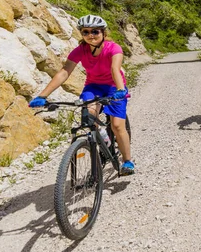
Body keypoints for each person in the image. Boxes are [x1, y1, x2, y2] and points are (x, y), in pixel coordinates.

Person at [29, 15, 135, 176]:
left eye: (95, 31)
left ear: (103, 33)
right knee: (89, 117)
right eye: (86, 32)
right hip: (93, 87)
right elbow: (65, 72)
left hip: (114, 86)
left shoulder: (114, 48)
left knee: (118, 125)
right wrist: (42, 95)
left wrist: (121, 89)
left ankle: (127, 161)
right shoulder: (80, 50)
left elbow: (115, 69)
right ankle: (103, 137)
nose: (90, 35)